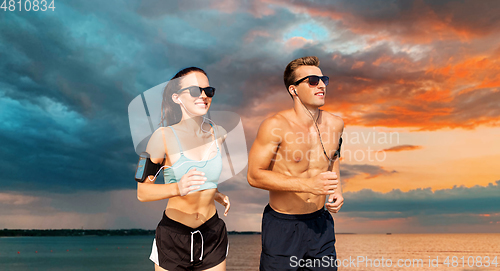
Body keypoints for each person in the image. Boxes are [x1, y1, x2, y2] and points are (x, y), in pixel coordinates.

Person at [247, 56, 344, 270]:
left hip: (321, 226)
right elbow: (254, 175)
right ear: (294, 89)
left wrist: (337, 189)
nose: (321, 85)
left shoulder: (336, 124)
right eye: (312, 80)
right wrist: (308, 185)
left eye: (323, 79)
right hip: (283, 226)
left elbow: (333, 157)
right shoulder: (275, 125)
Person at [137, 67, 230, 271]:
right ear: (177, 98)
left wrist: (215, 193)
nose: (204, 96)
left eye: (209, 91)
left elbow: (203, 175)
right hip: (174, 237)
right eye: (196, 91)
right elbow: (143, 193)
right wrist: (177, 188)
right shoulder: (161, 137)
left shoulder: (219, 134)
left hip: (212, 233)